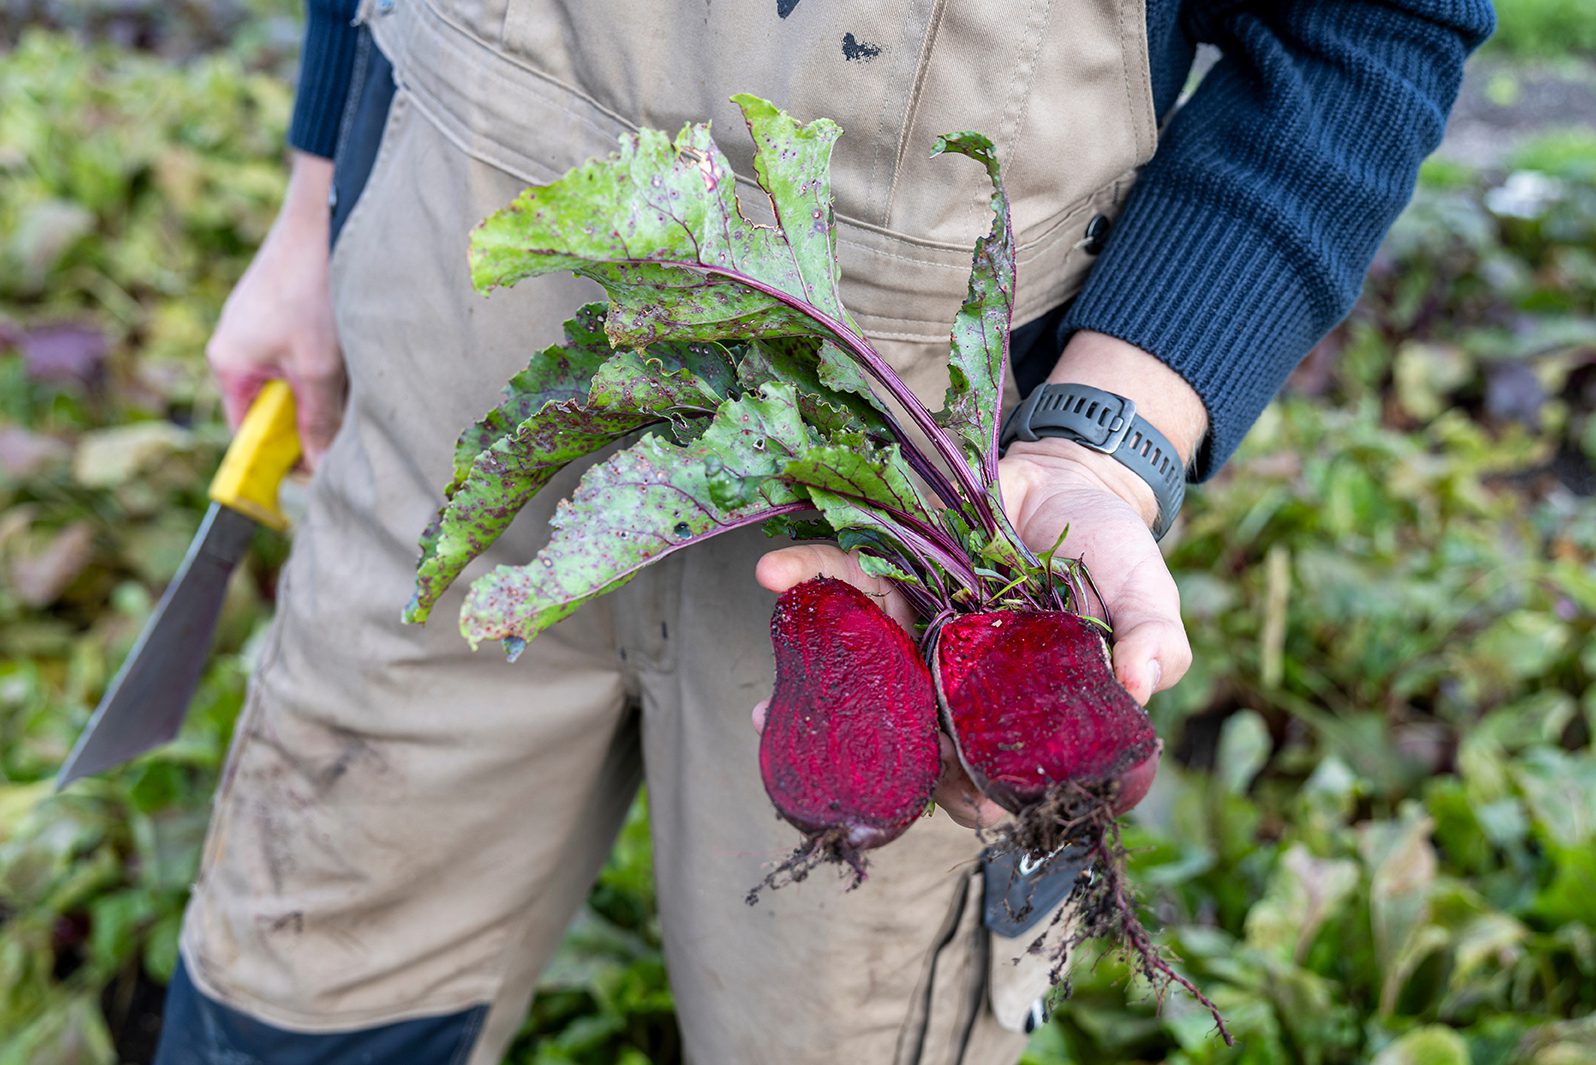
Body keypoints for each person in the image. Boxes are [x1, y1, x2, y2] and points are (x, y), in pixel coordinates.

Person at [153, 1, 1494, 1062]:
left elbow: (1365, 25)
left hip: (904, 552)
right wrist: (315, 186)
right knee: (302, 992)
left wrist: (1107, 438)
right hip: (458, 362)